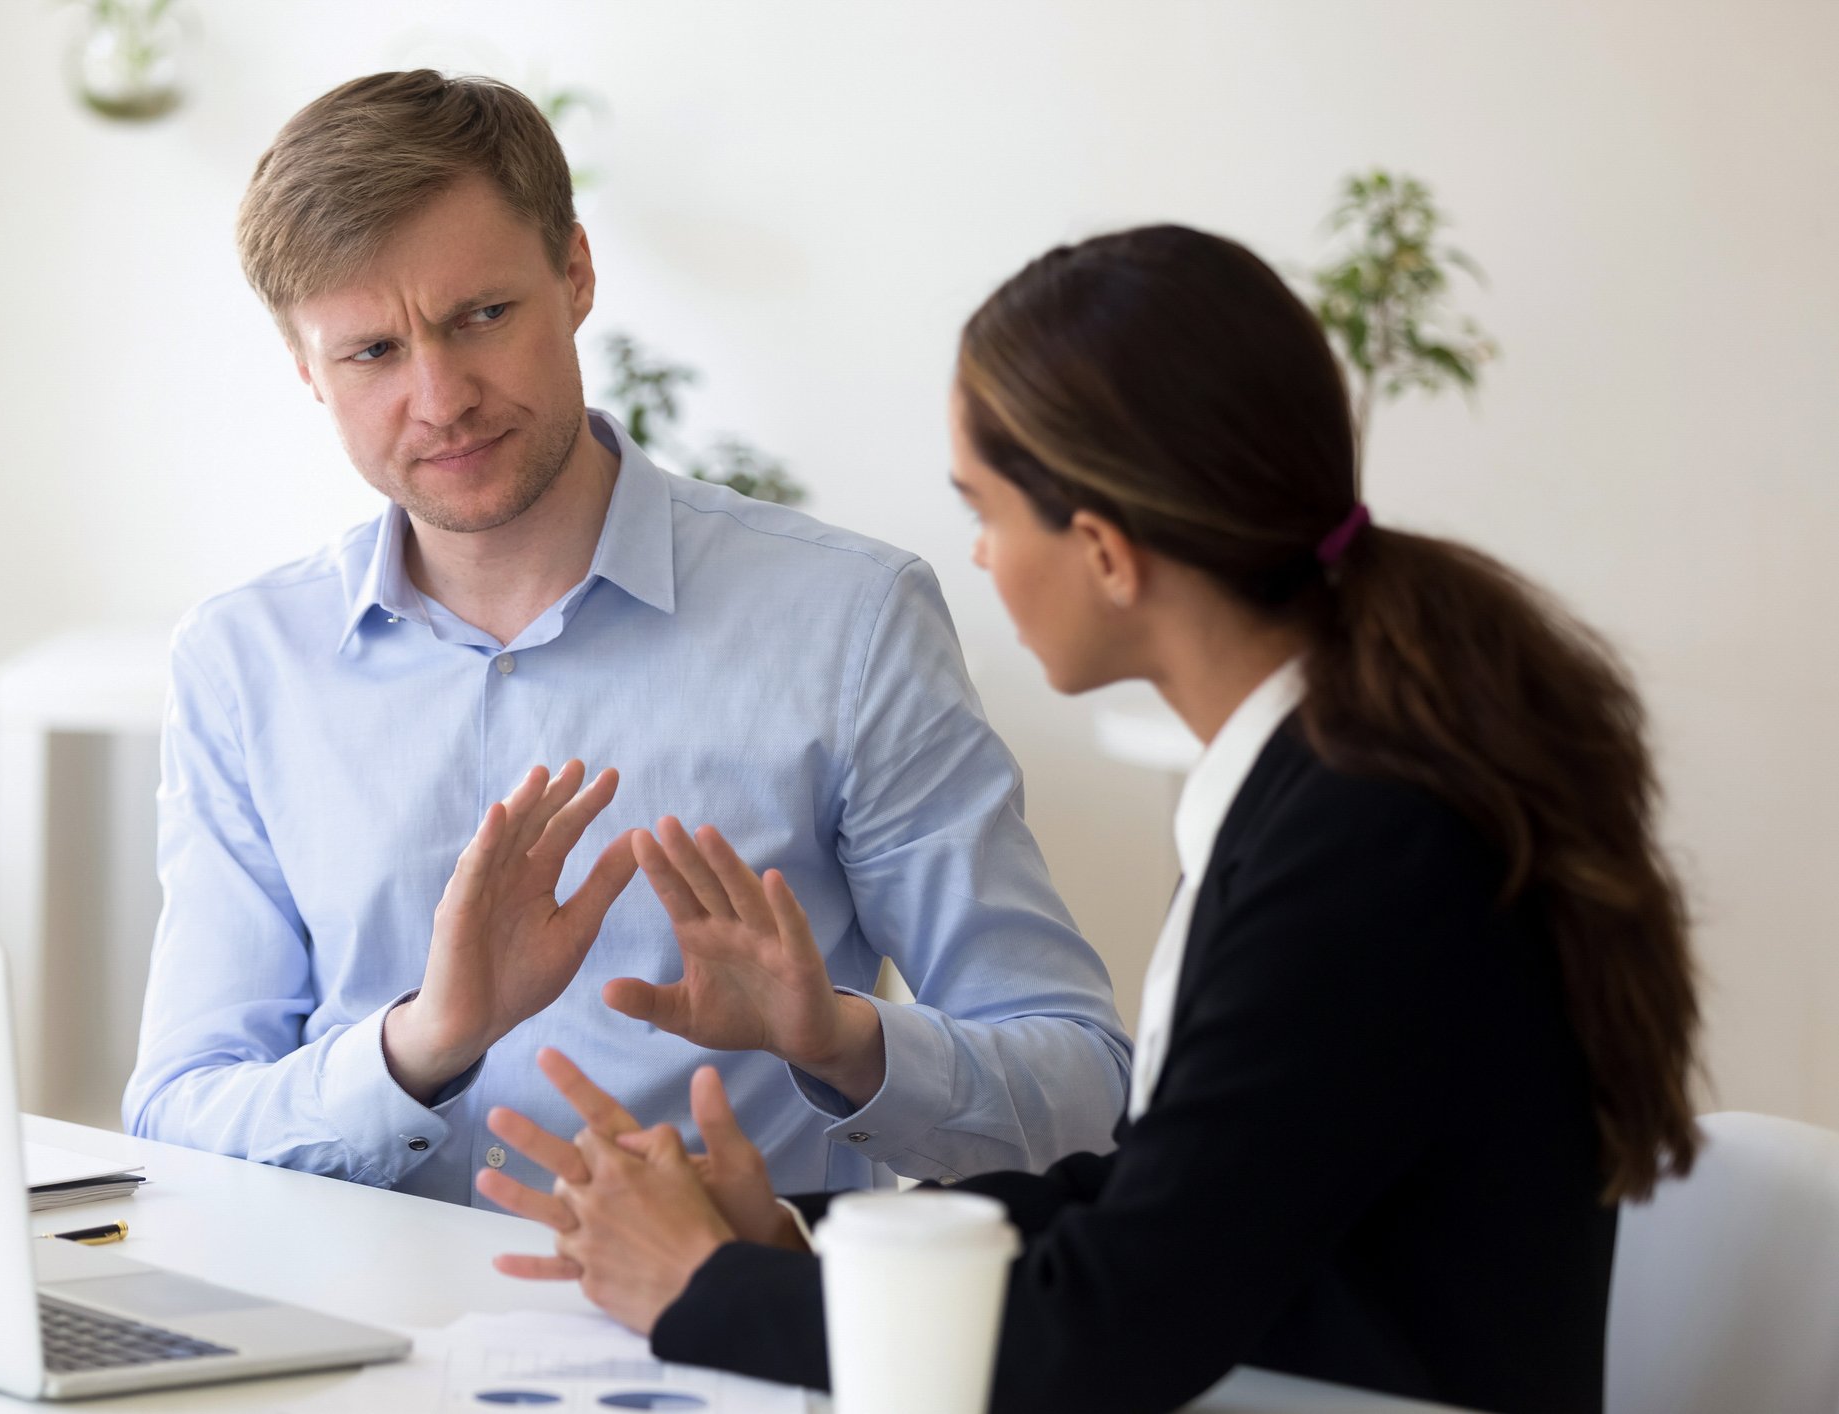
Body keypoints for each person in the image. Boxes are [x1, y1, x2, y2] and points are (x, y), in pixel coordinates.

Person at [479, 224, 1705, 1414]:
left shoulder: (1364, 840)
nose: (980, 555)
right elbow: (1163, 1201)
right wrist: (799, 1235)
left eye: (989, 510)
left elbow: (1113, 1327)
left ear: (1107, 552)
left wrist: (706, 1291)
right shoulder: (1324, 785)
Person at [121, 70, 1134, 1210]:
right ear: (306, 370)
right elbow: (179, 1113)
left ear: (576, 274)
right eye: (372, 353)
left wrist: (842, 1038)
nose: (441, 397)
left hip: (719, 1343)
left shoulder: (846, 621)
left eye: (482, 317)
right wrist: (424, 1041)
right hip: (345, 1342)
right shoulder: (243, 664)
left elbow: (1086, 1087)